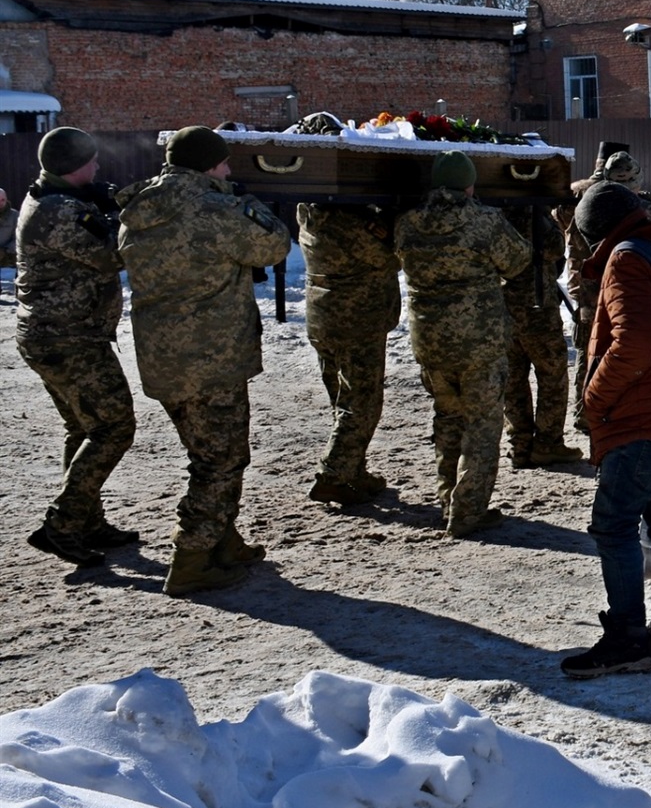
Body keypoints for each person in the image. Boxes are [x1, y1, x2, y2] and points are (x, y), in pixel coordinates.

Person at [118, 126, 291, 595]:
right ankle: (192, 559)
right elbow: (275, 245)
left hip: (163, 358)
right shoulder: (216, 210)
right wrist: (247, 202)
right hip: (212, 358)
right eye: (225, 163)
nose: (229, 170)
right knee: (222, 461)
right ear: (209, 165)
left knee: (207, 454)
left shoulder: (141, 209)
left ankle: (221, 540)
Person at [561, 183, 651, 679]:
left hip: (641, 422)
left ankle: (627, 637)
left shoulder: (626, 259)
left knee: (615, 525)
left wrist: (595, 397)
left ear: (594, 233)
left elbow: (634, 344)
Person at [393, 150, 533, 538]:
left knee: (448, 419)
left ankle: (447, 499)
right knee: (482, 425)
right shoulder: (484, 221)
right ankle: (468, 510)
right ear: (469, 184)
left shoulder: (407, 222)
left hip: (431, 341)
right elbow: (518, 260)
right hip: (479, 342)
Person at [19, 127, 139, 569]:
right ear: (74, 167)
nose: (99, 167)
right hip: (69, 339)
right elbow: (114, 255)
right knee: (113, 428)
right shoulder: (61, 210)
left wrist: (99, 204)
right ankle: (62, 523)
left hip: (54, 335)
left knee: (84, 428)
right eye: (92, 162)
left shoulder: (52, 198)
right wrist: (122, 214)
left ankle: (86, 521)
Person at [299, 203, 401, 506]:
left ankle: (352, 470)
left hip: (324, 318)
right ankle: (332, 477)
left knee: (343, 402)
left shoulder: (309, 212)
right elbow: (392, 258)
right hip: (357, 321)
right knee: (361, 404)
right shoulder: (348, 222)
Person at [563, 150, 642, 446]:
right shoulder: (632, 208)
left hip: (588, 292)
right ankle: (605, 411)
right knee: (613, 354)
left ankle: (584, 412)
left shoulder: (585, 201)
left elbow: (571, 246)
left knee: (588, 354)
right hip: (614, 293)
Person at [501, 204, 577, 468]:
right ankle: (548, 443)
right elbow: (555, 248)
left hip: (502, 308)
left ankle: (519, 445)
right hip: (538, 308)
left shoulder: (491, 213)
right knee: (552, 376)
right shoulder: (534, 212)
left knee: (513, 379)